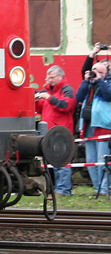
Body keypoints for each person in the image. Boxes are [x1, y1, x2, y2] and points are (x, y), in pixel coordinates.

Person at [36, 65, 76, 195]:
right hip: (50, 131)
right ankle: (53, 187)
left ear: (60, 77)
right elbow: (41, 108)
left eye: (52, 77)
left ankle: (63, 189)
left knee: (62, 161)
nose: (48, 80)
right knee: (51, 161)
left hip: (61, 131)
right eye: (48, 77)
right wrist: (36, 100)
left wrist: (48, 98)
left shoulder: (66, 90)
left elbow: (66, 105)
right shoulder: (49, 91)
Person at [77, 51, 110, 197]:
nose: (97, 74)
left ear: (106, 72)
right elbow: (78, 97)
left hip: (103, 125)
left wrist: (101, 81)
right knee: (91, 160)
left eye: (100, 72)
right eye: (95, 71)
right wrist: (86, 81)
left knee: (101, 159)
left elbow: (109, 95)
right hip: (88, 125)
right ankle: (98, 189)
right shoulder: (90, 83)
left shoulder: (106, 83)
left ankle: (104, 189)